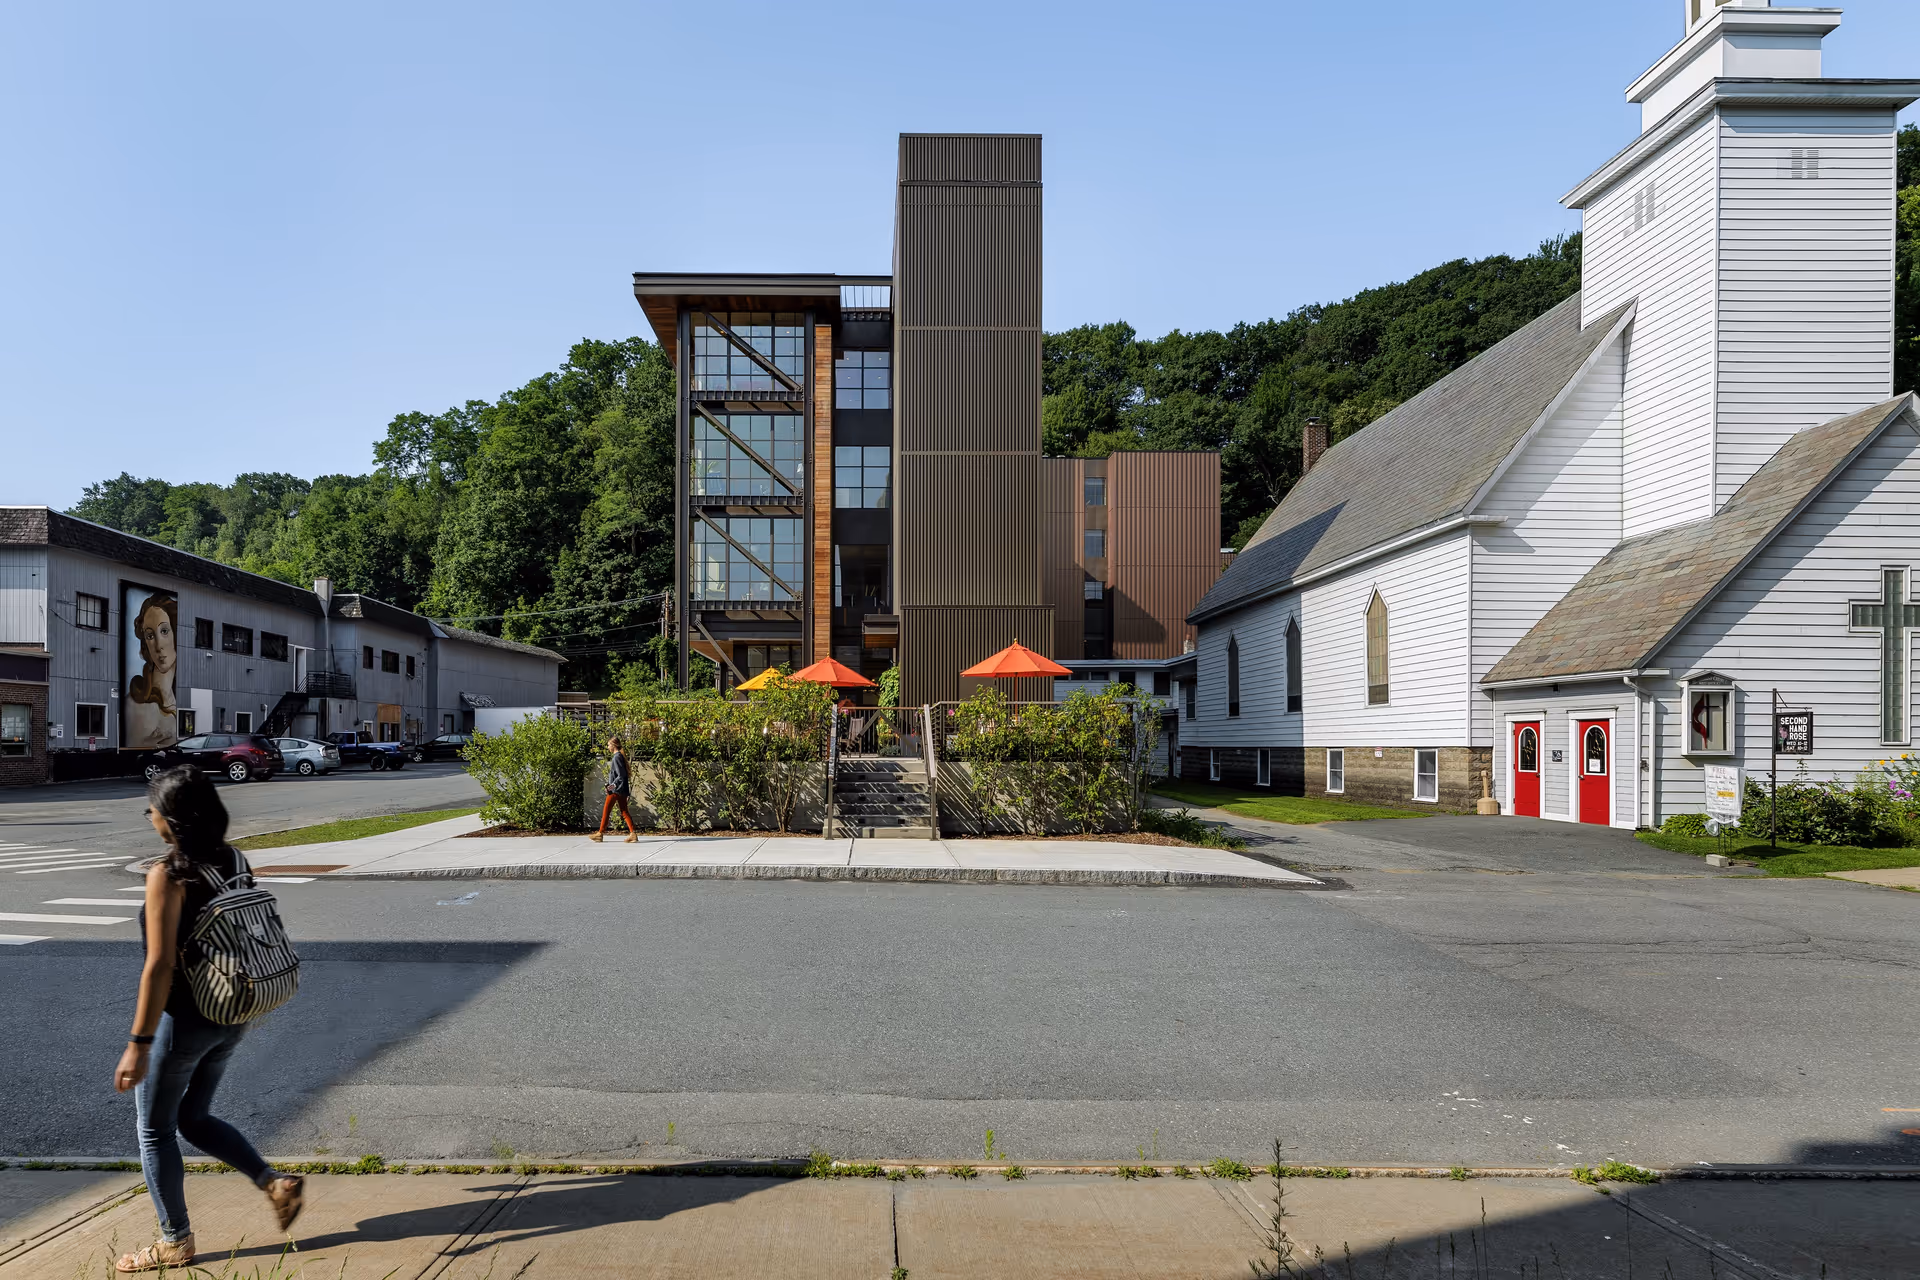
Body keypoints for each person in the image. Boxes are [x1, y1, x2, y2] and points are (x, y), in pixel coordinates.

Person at [111, 767, 304, 1272]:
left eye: (151, 806)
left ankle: (175, 1240)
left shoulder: (169, 874)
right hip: (235, 1009)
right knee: (193, 1118)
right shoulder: (233, 859)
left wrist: (139, 1042)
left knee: (154, 1130)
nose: (149, 814)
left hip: (189, 1018)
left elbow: (160, 965)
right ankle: (274, 1184)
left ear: (171, 819)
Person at [124, 594, 179, 750]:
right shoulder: (136, 705)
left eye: (164, 631)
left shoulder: (175, 700)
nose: (158, 645)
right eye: (150, 635)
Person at [590, 735, 637, 843]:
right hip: (621, 789)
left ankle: (600, 834)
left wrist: (611, 786)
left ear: (613, 745)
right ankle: (633, 833)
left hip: (616, 790)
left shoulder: (616, 757)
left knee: (606, 811)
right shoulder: (619, 756)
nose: (607, 747)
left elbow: (621, 776)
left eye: (608, 745)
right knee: (624, 811)